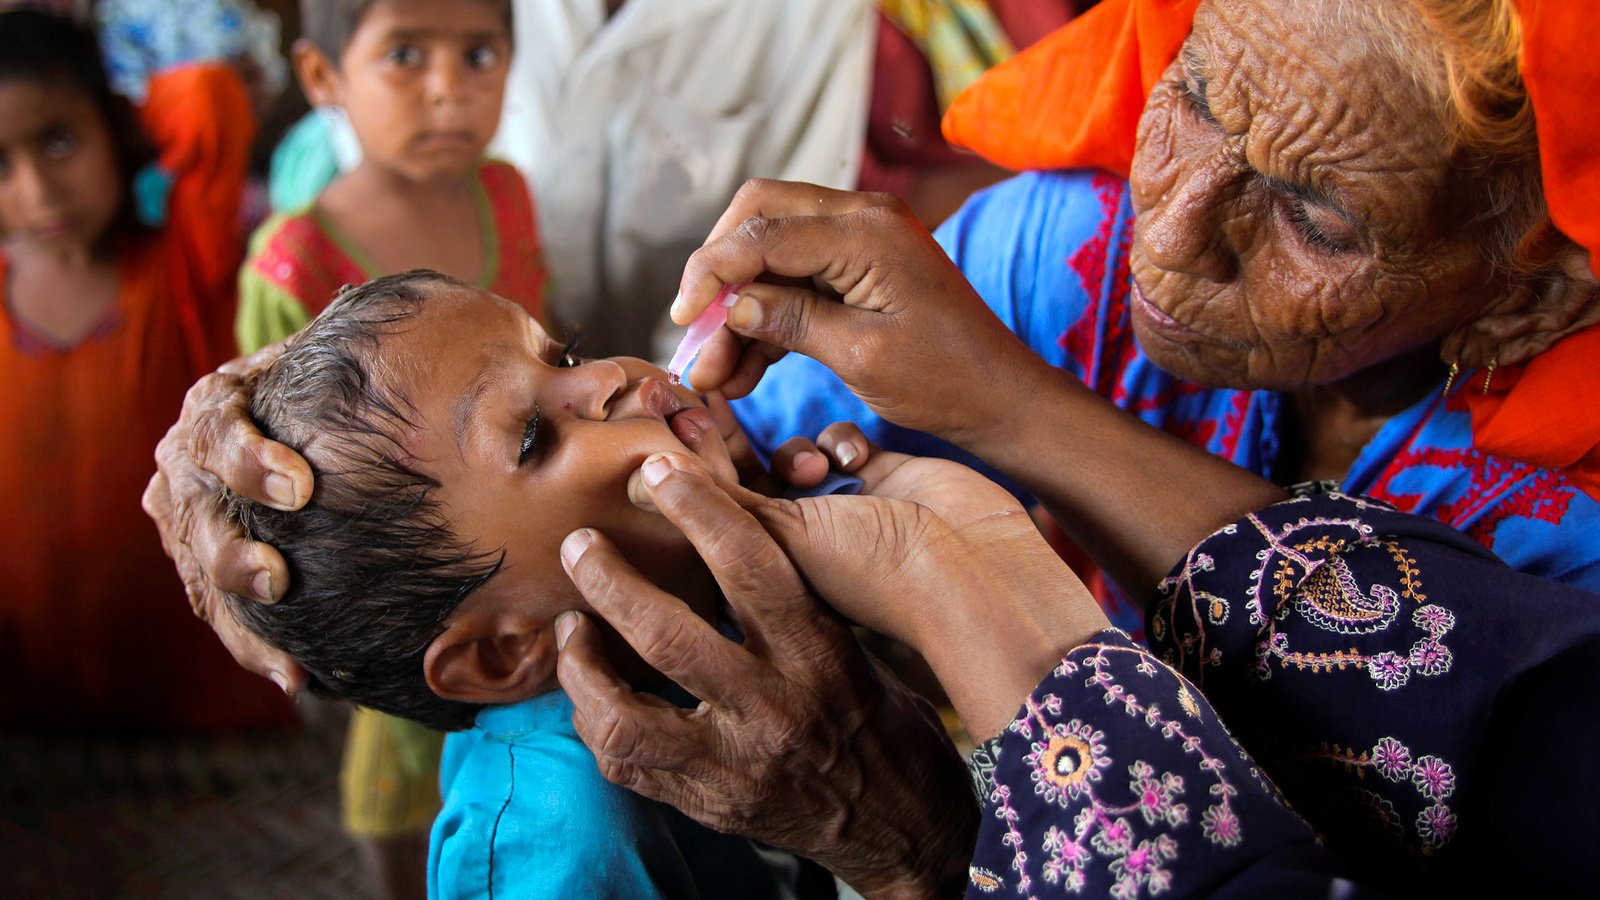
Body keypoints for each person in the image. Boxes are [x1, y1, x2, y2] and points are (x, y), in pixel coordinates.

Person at [141, 0, 1600, 891]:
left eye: (1321, 221)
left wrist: (926, 850)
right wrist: (333, 519)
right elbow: (756, 456)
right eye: (1192, 97)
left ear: (1538, 277)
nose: (1164, 237)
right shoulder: (1042, 268)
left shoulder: (1557, 541)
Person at [222, 269, 829, 898]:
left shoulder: (719, 596)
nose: (607, 376)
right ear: (504, 652)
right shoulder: (566, 842)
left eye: (562, 354)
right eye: (535, 436)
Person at [234, 2, 547, 888]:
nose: (449, 88)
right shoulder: (292, 260)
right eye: (405, 55)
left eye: (479, 55)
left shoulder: (505, 194)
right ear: (325, 79)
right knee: (399, 753)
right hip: (393, 566)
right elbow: (269, 456)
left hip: (519, 526)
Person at [0, 8, 290, 729]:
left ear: (115, 128)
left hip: (203, 720)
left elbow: (210, 104)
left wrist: (122, 116)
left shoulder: (179, 273)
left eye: (60, 140)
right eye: (0, 165)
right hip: (35, 721)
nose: (38, 189)